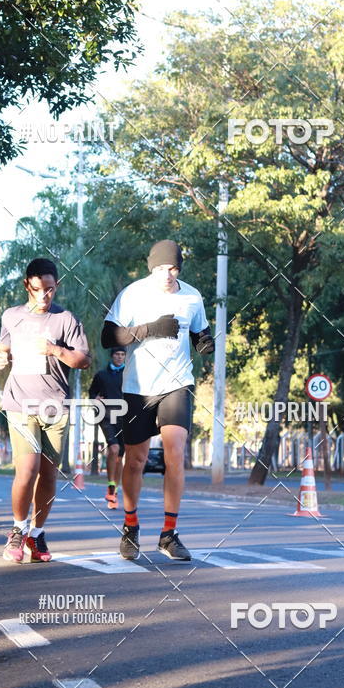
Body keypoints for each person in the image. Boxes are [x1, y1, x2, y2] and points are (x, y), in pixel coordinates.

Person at [102, 239, 214, 562]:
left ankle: (169, 534)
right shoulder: (133, 294)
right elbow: (108, 336)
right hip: (138, 386)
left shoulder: (192, 296)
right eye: (161, 268)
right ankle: (130, 526)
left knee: (174, 454)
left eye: (173, 268)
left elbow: (199, 333)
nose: (167, 274)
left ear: (179, 268)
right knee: (135, 459)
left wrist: (203, 342)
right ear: (152, 267)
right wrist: (150, 329)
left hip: (177, 383)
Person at [0, 257, 90, 564]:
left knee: (49, 475)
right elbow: (4, 347)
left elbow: (83, 360)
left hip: (55, 406)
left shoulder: (66, 320)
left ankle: (36, 533)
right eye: (37, 290)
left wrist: (55, 350)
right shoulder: (11, 316)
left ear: (56, 286)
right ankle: (17, 529)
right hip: (21, 403)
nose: (43, 296)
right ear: (27, 286)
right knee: (28, 469)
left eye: (49, 290)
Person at [88, 348, 126, 509]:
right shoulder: (101, 375)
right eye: (117, 354)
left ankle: (114, 491)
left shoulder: (130, 374)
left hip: (125, 419)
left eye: (123, 354)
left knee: (119, 457)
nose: (120, 357)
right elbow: (92, 394)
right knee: (114, 449)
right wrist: (95, 399)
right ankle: (111, 485)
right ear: (112, 356)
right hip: (106, 417)